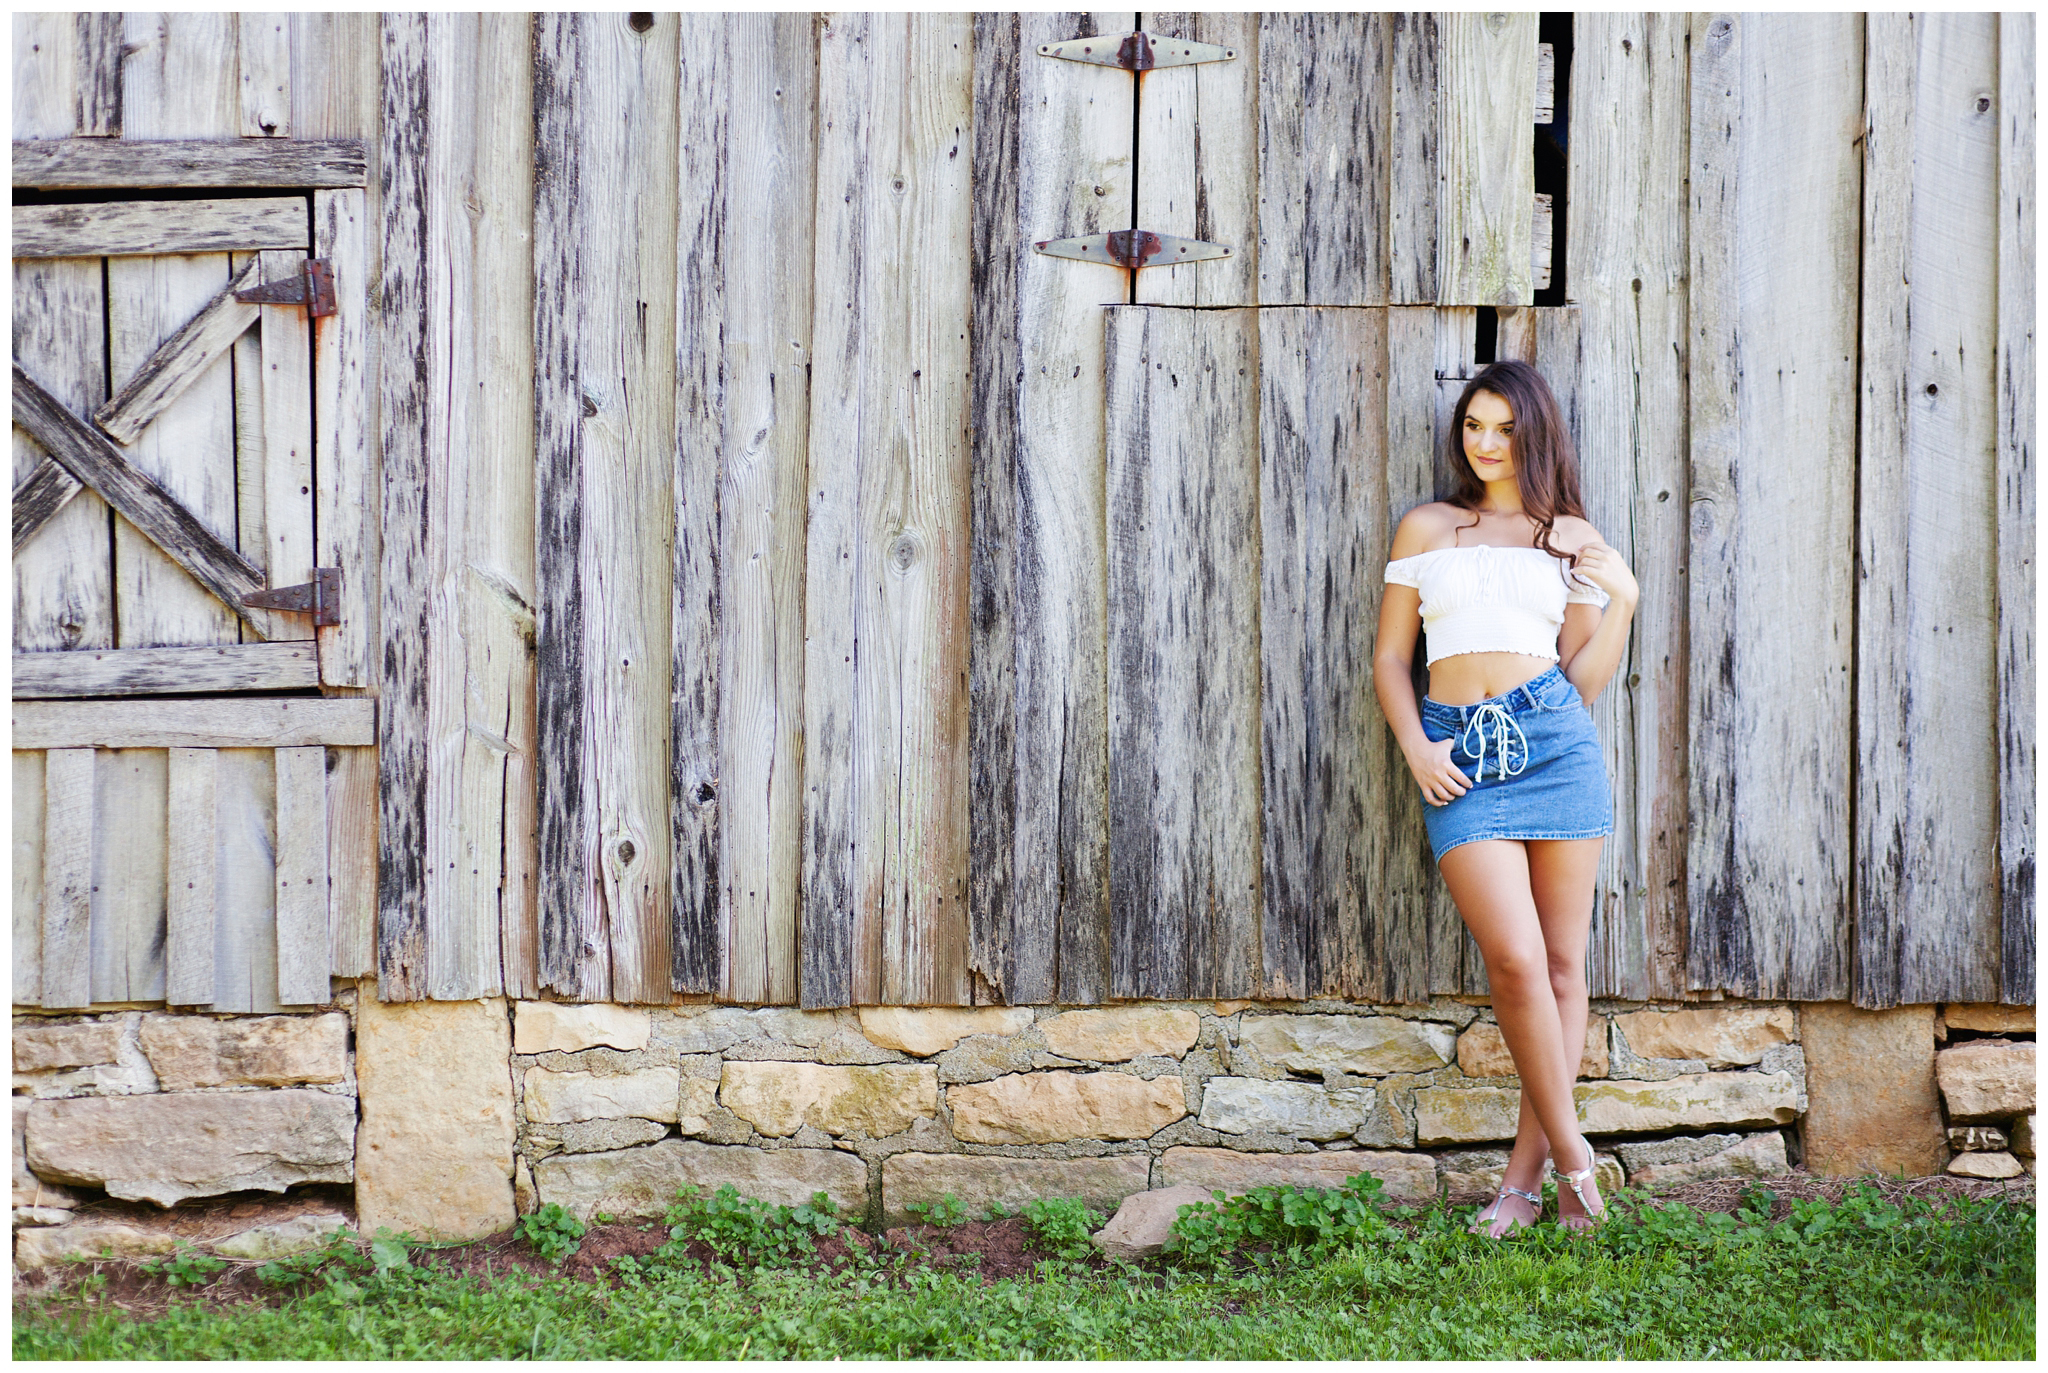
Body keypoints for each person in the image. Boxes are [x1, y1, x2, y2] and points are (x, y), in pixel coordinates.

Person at [1371, 359, 1639, 1237]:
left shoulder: (1566, 537)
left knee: (1564, 967)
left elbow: (1582, 679)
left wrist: (1624, 601)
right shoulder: (1428, 526)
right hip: (1459, 753)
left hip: (1556, 743)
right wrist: (1417, 748)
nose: (1485, 444)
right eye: (1473, 426)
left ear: (1535, 431)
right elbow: (1390, 658)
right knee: (1518, 962)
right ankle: (1577, 1162)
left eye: (1503, 428)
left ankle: (1522, 1188)